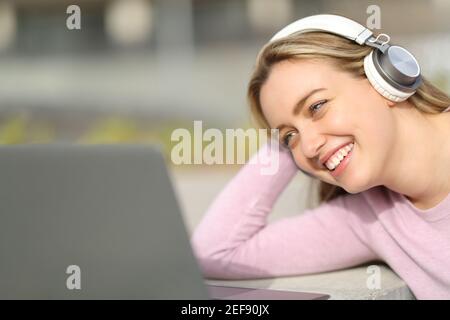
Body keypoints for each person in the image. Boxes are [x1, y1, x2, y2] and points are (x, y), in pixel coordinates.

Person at [191, 14, 450, 299]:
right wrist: (281, 139)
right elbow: (215, 251)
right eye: (291, 137)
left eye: (316, 106)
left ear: (384, 79)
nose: (310, 147)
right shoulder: (369, 219)